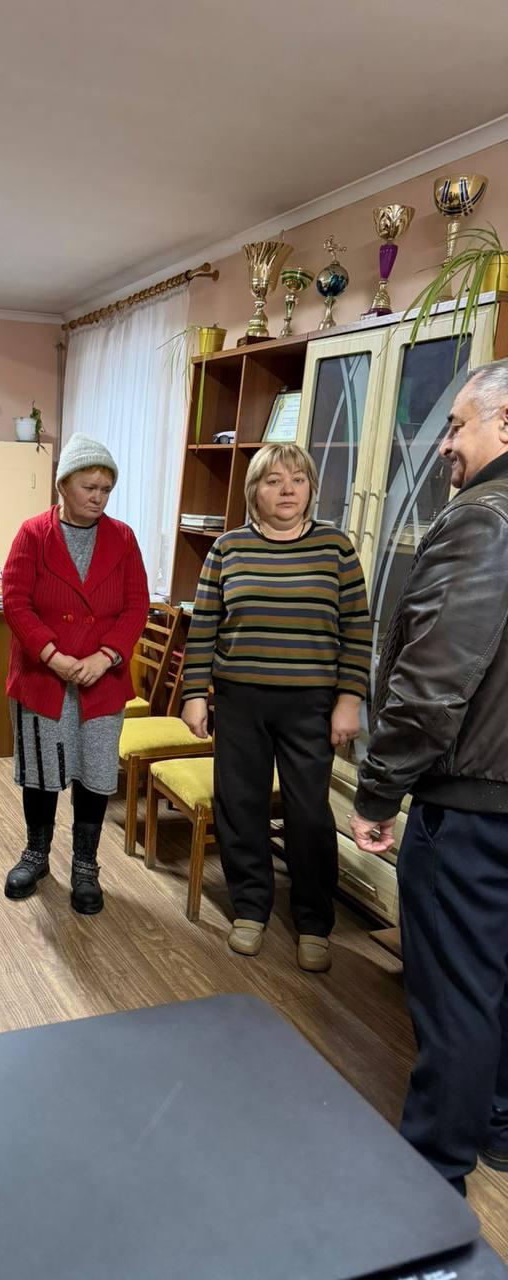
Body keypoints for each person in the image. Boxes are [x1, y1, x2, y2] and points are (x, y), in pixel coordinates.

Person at [350, 362, 508, 1196]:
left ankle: (431, 1179)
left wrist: (380, 790)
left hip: (473, 805)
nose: (446, 443)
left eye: (457, 424)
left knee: (456, 994)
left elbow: (433, 683)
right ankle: (498, 1126)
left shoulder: (482, 519)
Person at [182, 443, 371, 972]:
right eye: (273, 480)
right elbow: (203, 629)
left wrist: (349, 701)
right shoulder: (227, 549)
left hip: (312, 704)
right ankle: (250, 908)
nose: (287, 489)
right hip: (240, 700)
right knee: (239, 806)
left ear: (311, 488)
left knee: (308, 813)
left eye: (297, 479)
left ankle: (313, 920)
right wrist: (195, 694)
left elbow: (358, 630)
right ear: (254, 491)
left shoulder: (336, 548)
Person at [1, 435, 149, 914]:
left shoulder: (123, 538)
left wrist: (106, 657)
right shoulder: (33, 533)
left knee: (96, 771)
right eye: (89, 487)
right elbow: (15, 601)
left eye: (106, 489)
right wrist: (52, 655)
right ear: (63, 484)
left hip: (101, 680)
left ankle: (85, 864)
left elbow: (136, 606)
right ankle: (36, 854)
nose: (99, 497)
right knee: (41, 772)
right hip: (44, 677)